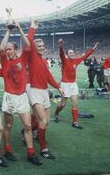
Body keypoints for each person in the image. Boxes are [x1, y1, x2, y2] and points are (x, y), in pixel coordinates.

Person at [0, 21, 42, 165]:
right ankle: (7, 150)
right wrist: (8, 31)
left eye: (10, 49)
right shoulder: (4, 61)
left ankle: (31, 153)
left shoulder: (22, 59)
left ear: (16, 51)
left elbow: (28, 46)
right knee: (9, 125)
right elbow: (1, 48)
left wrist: (19, 28)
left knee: (28, 126)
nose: (8, 51)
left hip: (22, 96)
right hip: (9, 97)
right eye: (8, 49)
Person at [27, 20, 65, 159]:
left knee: (46, 122)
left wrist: (58, 87)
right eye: (39, 46)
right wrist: (33, 28)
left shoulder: (43, 60)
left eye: (43, 45)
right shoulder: (31, 56)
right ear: (34, 48)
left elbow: (48, 76)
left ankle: (28, 131)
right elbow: (29, 40)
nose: (42, 47)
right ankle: (44, 149)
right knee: (42, 121)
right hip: (34, 91)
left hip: (44, 91)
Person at [54, 39, 98, 129]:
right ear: (67, 54)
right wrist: (61, 46)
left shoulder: (76, 60)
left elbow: (85, 55)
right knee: (63, 104)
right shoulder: (64, 60)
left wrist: (93, 48)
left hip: (73, 84)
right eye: (70, 53)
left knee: (75, 102)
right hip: (65, 84)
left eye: (73, 52)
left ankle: (75, 122)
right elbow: (61, 54)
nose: (72, 54)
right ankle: (56, 113)